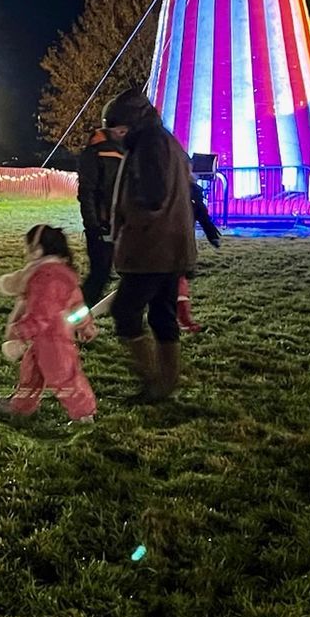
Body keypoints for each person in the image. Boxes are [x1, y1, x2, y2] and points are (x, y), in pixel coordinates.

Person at [101, 87, 195, 400]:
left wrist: (128, 221)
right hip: (171, 246)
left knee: (126, 312)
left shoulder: (148, 145)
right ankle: (165, 383)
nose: (114, 135)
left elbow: (152, 196)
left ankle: (153, 379)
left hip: (151, 247)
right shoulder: (166, 140)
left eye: (116, 128)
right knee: (161, 315)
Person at [0, 224, 96, 423]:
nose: (25, 251)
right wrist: (85, 324)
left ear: (37, 249)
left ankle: (84, 415)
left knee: (64, 378)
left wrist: (21, 332)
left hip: (53, 341)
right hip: (44, 340)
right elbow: (76, 304)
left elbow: (42, 313)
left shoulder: (47, 277)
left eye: (27, 246)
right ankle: (21, 407)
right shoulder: (60, 273)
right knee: (31, 376)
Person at [75, 123, 124, 307]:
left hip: (111, 223)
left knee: (101, 275)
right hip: (112, 223)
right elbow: (88, 191)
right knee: (104, 275)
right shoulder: (112, 154)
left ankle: (75, 318)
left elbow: (88, 192)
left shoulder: (100, 154)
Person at [176, 181, 223, 333]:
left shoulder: (189, 193)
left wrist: (211, 234)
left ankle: (182, 318)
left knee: (177, 279)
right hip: (168, 245)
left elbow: (201, 214)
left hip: (176, 245)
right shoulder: (189, 191)